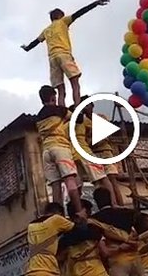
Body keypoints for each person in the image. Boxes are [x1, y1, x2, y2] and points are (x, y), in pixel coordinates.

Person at [21, 0, 111, 107]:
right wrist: (96, 3)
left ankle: (61, 111)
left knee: (60, 89)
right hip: (64, 55)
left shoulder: (46, 30)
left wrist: (27, 48)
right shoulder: (63, 21)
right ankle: (78, 107)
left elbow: (35, 42)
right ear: (60, 16)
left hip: (52, 59)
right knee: (75, 83)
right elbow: (79, 13)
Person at [35, 85, 84, 217]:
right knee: (70, 180)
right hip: (60, 147)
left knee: (55, 185)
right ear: (52, 97)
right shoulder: (58, 110)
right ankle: (79, 211)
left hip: (46, 151)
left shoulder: (39, 116)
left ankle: (58, 216)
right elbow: (78, 119)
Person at [59, 199, 134, 276]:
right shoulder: (93, 230)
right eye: (86, 212)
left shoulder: (64, 237)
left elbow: (60, 258)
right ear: (78, 214)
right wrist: (120, 248)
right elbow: (105, 253)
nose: (89, 215)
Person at [70, 97, 118, 204]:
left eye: (87, 105)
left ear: (92, 106)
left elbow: (104, 135)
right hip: (88, 152)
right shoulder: (81, 121)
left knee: (110, 179)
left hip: (104, 152)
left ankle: (115, 204)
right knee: (98, 180)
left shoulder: (98, 118)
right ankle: (108, 204)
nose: (85, 108)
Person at [90, 188, 143, 276]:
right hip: (135, 259)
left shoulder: (94, 220)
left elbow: (103, 251)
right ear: (110, 198)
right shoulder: (128, 213)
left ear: (96, 202)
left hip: (117, 261)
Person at [25, 202, 89, 276]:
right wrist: (82, 217)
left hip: (31, 271)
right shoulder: (56, 219)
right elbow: (79, 230)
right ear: (60, 213)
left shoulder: (31, 226)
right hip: (47, 271)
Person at [90, 111, 124, 206]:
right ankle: (113, 205)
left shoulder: (101, 129)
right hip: (98, 155)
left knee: (112, 182)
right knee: (104, 184)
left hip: (105, 154)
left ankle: (118, 205)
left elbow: (97, 141)